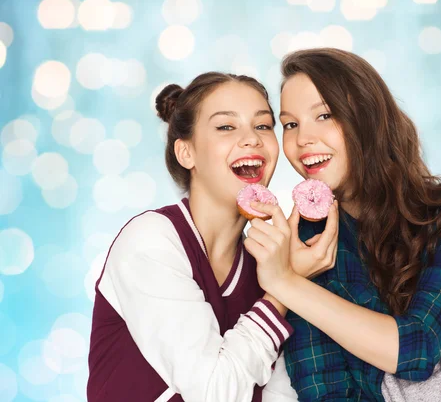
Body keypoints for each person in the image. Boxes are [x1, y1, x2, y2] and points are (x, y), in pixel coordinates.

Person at [246, 48, 441, 401]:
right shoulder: (308, 246)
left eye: (325, 115)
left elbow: (419, 348)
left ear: (368, 116)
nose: (303, 139)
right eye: (290, 124)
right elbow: (324, 391)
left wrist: (285, 282)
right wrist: (288, 276)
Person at [87, 72, 300, 402]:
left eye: (262, 125)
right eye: (226, 127)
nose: (253, 139)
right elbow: (212, 391)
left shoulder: (267, 268)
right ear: (186, 153)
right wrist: (284, 290)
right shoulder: (151, 242)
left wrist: (284, 280)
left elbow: (282, 396)